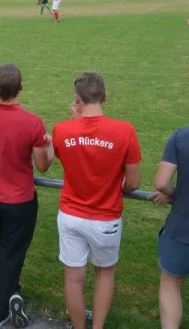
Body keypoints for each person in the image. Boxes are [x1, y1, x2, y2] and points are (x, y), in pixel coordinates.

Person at [52, 72, 141, 329]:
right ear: (105, 97)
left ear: (76, 99)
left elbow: (66, 153)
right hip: (106, 218)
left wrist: (76, 123)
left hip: (70, 214)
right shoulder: (125, 131)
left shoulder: (61, 129)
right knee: (104, 273)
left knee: (73, 277)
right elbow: (133, 183)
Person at [0, 64, 54, 329]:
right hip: (20, 202)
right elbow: (42, 166)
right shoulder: (33, 123)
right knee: (13, 257)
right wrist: (48, 145)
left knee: (5, 249)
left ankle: (13, 295)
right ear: (21, 88)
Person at [152, 127, 189, 329]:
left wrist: (174, 194)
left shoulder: (182, 136)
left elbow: (161, 182)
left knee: (171, 283)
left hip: (182, 227)